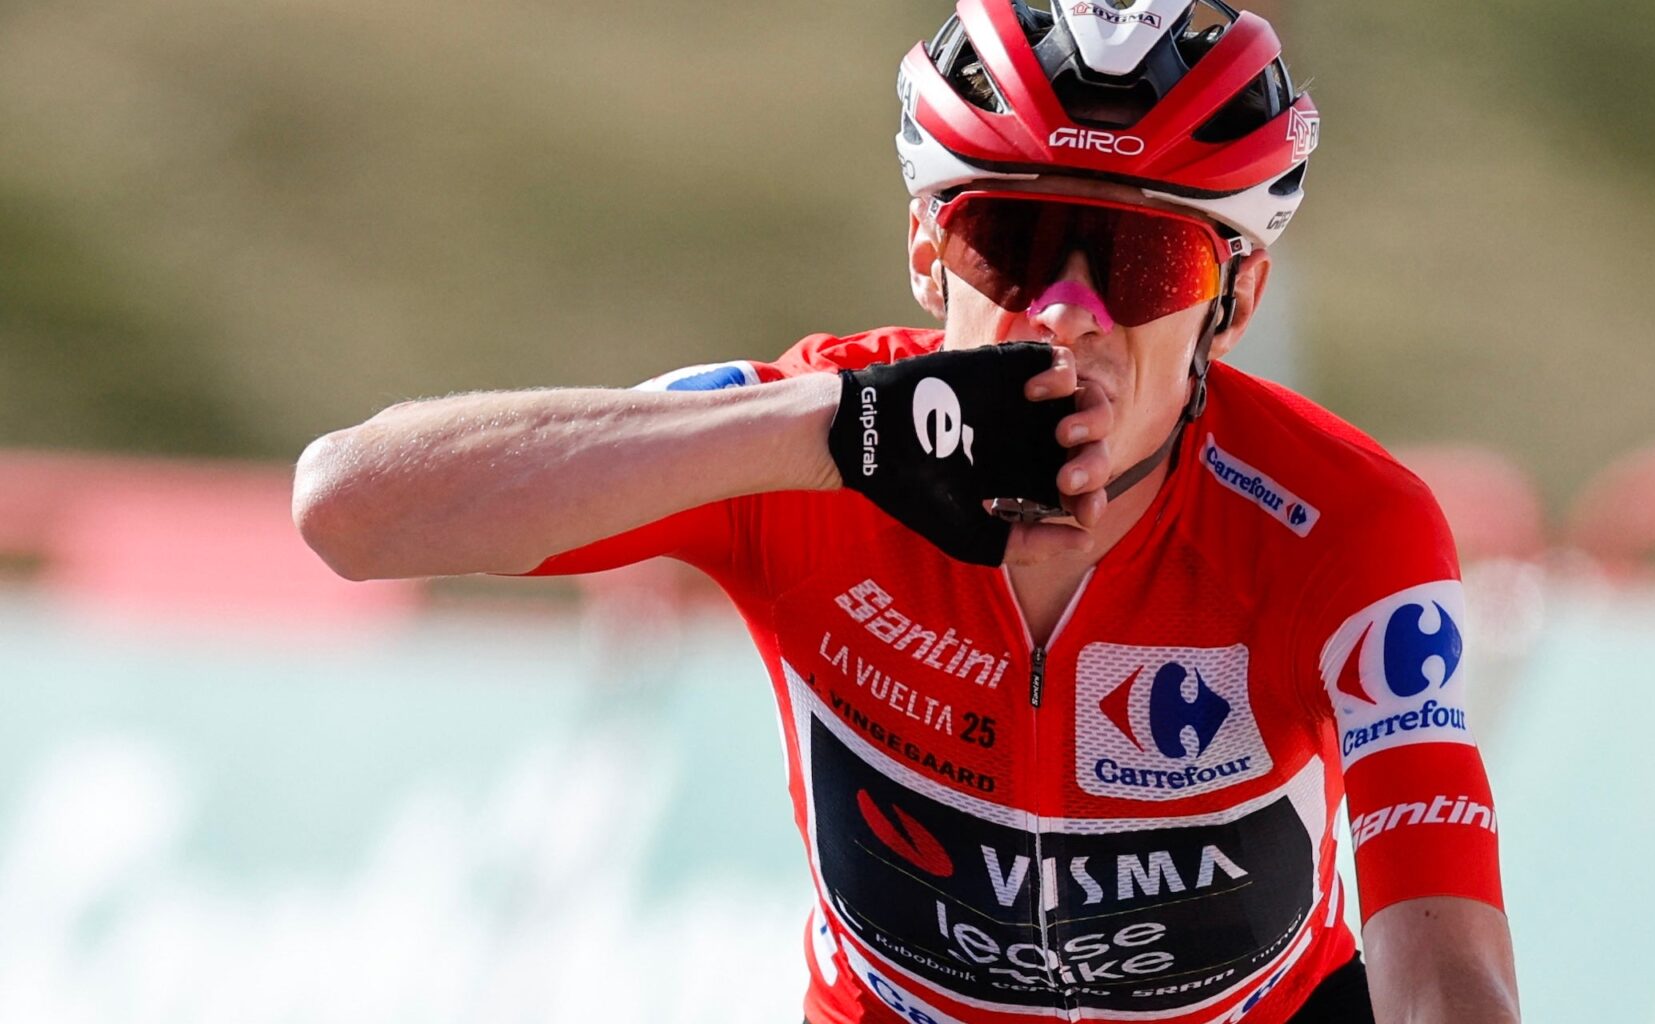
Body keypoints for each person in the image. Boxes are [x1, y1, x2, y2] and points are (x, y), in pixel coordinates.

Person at [293, 1, 1520, 1021]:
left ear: (1233, 303)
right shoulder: (811, 439)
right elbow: (348, 508)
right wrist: (825, 434)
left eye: (1145, 263)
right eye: (1010, 239)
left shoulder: (1346, 525)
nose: (1066, 311)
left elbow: (1448, 977)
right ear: (930, 254)